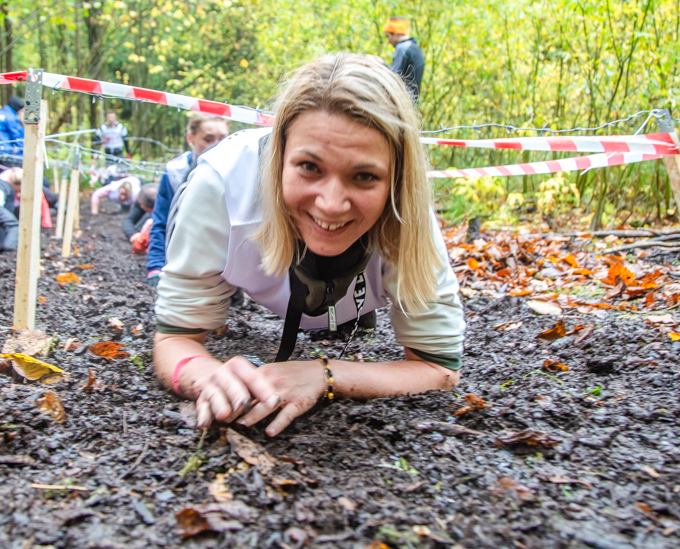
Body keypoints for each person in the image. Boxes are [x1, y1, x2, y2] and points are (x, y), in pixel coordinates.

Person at [154, 54, 465, 437]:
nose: (331, 204)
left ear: (395, 181)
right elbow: (174, 338)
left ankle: (350, 311)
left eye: (365, 176)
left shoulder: (408, 214)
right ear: (278, 155)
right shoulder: (220, 187)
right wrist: (207, 376)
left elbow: (439, 367)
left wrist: (325, 375)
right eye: (309, 167)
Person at [145, 113, 229, 286]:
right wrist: (155, 266)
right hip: (180, 254)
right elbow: (161, 220)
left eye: (222, 138)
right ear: (191, 138)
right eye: (208, 139)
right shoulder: (174, 171)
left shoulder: (234, 170)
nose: (217, 146)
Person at [384, 16, 425, 103]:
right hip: (411, 101)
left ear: (396, 33)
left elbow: (394, 77)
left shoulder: (402, 48)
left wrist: (379, 64)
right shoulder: (415, 48)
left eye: (388, 36)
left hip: (402, 101)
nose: (389, 41)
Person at [0, 95, 25, 170]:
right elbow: (17, 136)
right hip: (6, 151)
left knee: (1, 173)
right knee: (8, 175)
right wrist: (25, 151)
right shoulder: (11, 117)